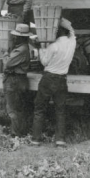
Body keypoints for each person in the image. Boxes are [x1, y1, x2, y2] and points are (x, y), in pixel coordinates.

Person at [32, 18, 76, 147]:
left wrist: (39, 47)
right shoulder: (72, 43)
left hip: (48, 78)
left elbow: (44, 62)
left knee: (40, 109)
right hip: (62, 79)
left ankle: (36, 140)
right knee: (60, 110)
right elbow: (73, 32)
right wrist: (65, 22)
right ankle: (60, 140)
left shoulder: (53, 46)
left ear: (58, 31)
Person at [3, 23, 32, 137]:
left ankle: (16, 135)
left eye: (16, 36)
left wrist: (5, 54)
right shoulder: (22, 48)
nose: (14, 38)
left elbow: (7, 64)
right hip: (19, 80)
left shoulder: (20, 50)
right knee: (18, 108)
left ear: (21, 37)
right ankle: (20, 133)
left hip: (14, 80)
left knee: (13, 109)